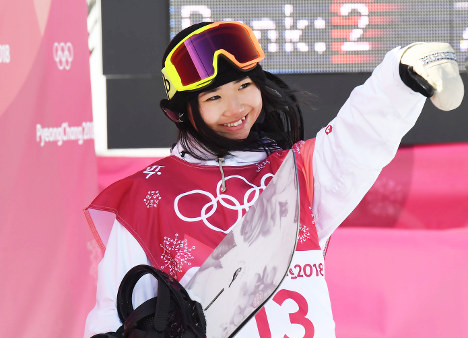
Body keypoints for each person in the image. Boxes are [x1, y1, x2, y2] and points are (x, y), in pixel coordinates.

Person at [83, 21, 464, 337]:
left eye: (244, 87)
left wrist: (400, 75)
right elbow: (114, 311)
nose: (235, 109)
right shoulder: (151, 193)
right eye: (213, 98)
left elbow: (355, 140)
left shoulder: (293, 173)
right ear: (183, 111)